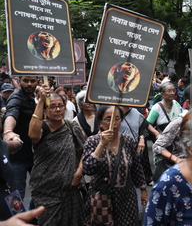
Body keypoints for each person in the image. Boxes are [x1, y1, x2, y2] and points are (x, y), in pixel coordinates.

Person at [28, 87, 85, 226]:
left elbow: (84, 152)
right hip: (47, 192)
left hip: (71, 190)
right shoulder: (42, 128)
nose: (58, 110)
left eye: (61, 106)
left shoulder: (72, 127)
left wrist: (78, 173)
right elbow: (33, 135)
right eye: (52, 107)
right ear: (45, 111)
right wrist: (41, 101)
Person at [83, 106, 148, 226]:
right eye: (108, 119)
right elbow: (88, 168)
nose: (113, 122)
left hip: (126, 199)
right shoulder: (92, 141)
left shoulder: (128, 140)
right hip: (102, 198)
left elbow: (136, 168)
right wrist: (102, 144)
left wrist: (143, 190)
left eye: (117, 118)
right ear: (100, 121)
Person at [152, 84, 192, 181]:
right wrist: (177, 160)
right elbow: (157, 146)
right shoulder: (179, 122)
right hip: (181, 176)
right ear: (189, 103)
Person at [2, 76, 38, 205]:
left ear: (37, 82)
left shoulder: (35, 98)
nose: (29, 84)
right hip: (17, 158)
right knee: (16, 197)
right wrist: (8, 131)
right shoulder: (16, 98)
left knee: (40, 191)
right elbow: (11, 114)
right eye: (25, 81)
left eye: (32, 81)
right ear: (19, 81)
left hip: (35, 156)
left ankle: (30, 219)